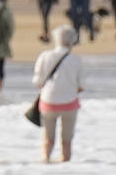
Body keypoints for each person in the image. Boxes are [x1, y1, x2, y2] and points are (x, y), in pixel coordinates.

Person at [33, 25, 86, 162]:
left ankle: (45, 162)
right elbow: (81, 86)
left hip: (48, 103)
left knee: (48, 139)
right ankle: (65, 168)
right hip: (70, 104)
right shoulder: (77, 60)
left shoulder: (45, 56)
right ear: (72, 41)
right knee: (67, 141)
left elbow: (37, 81)